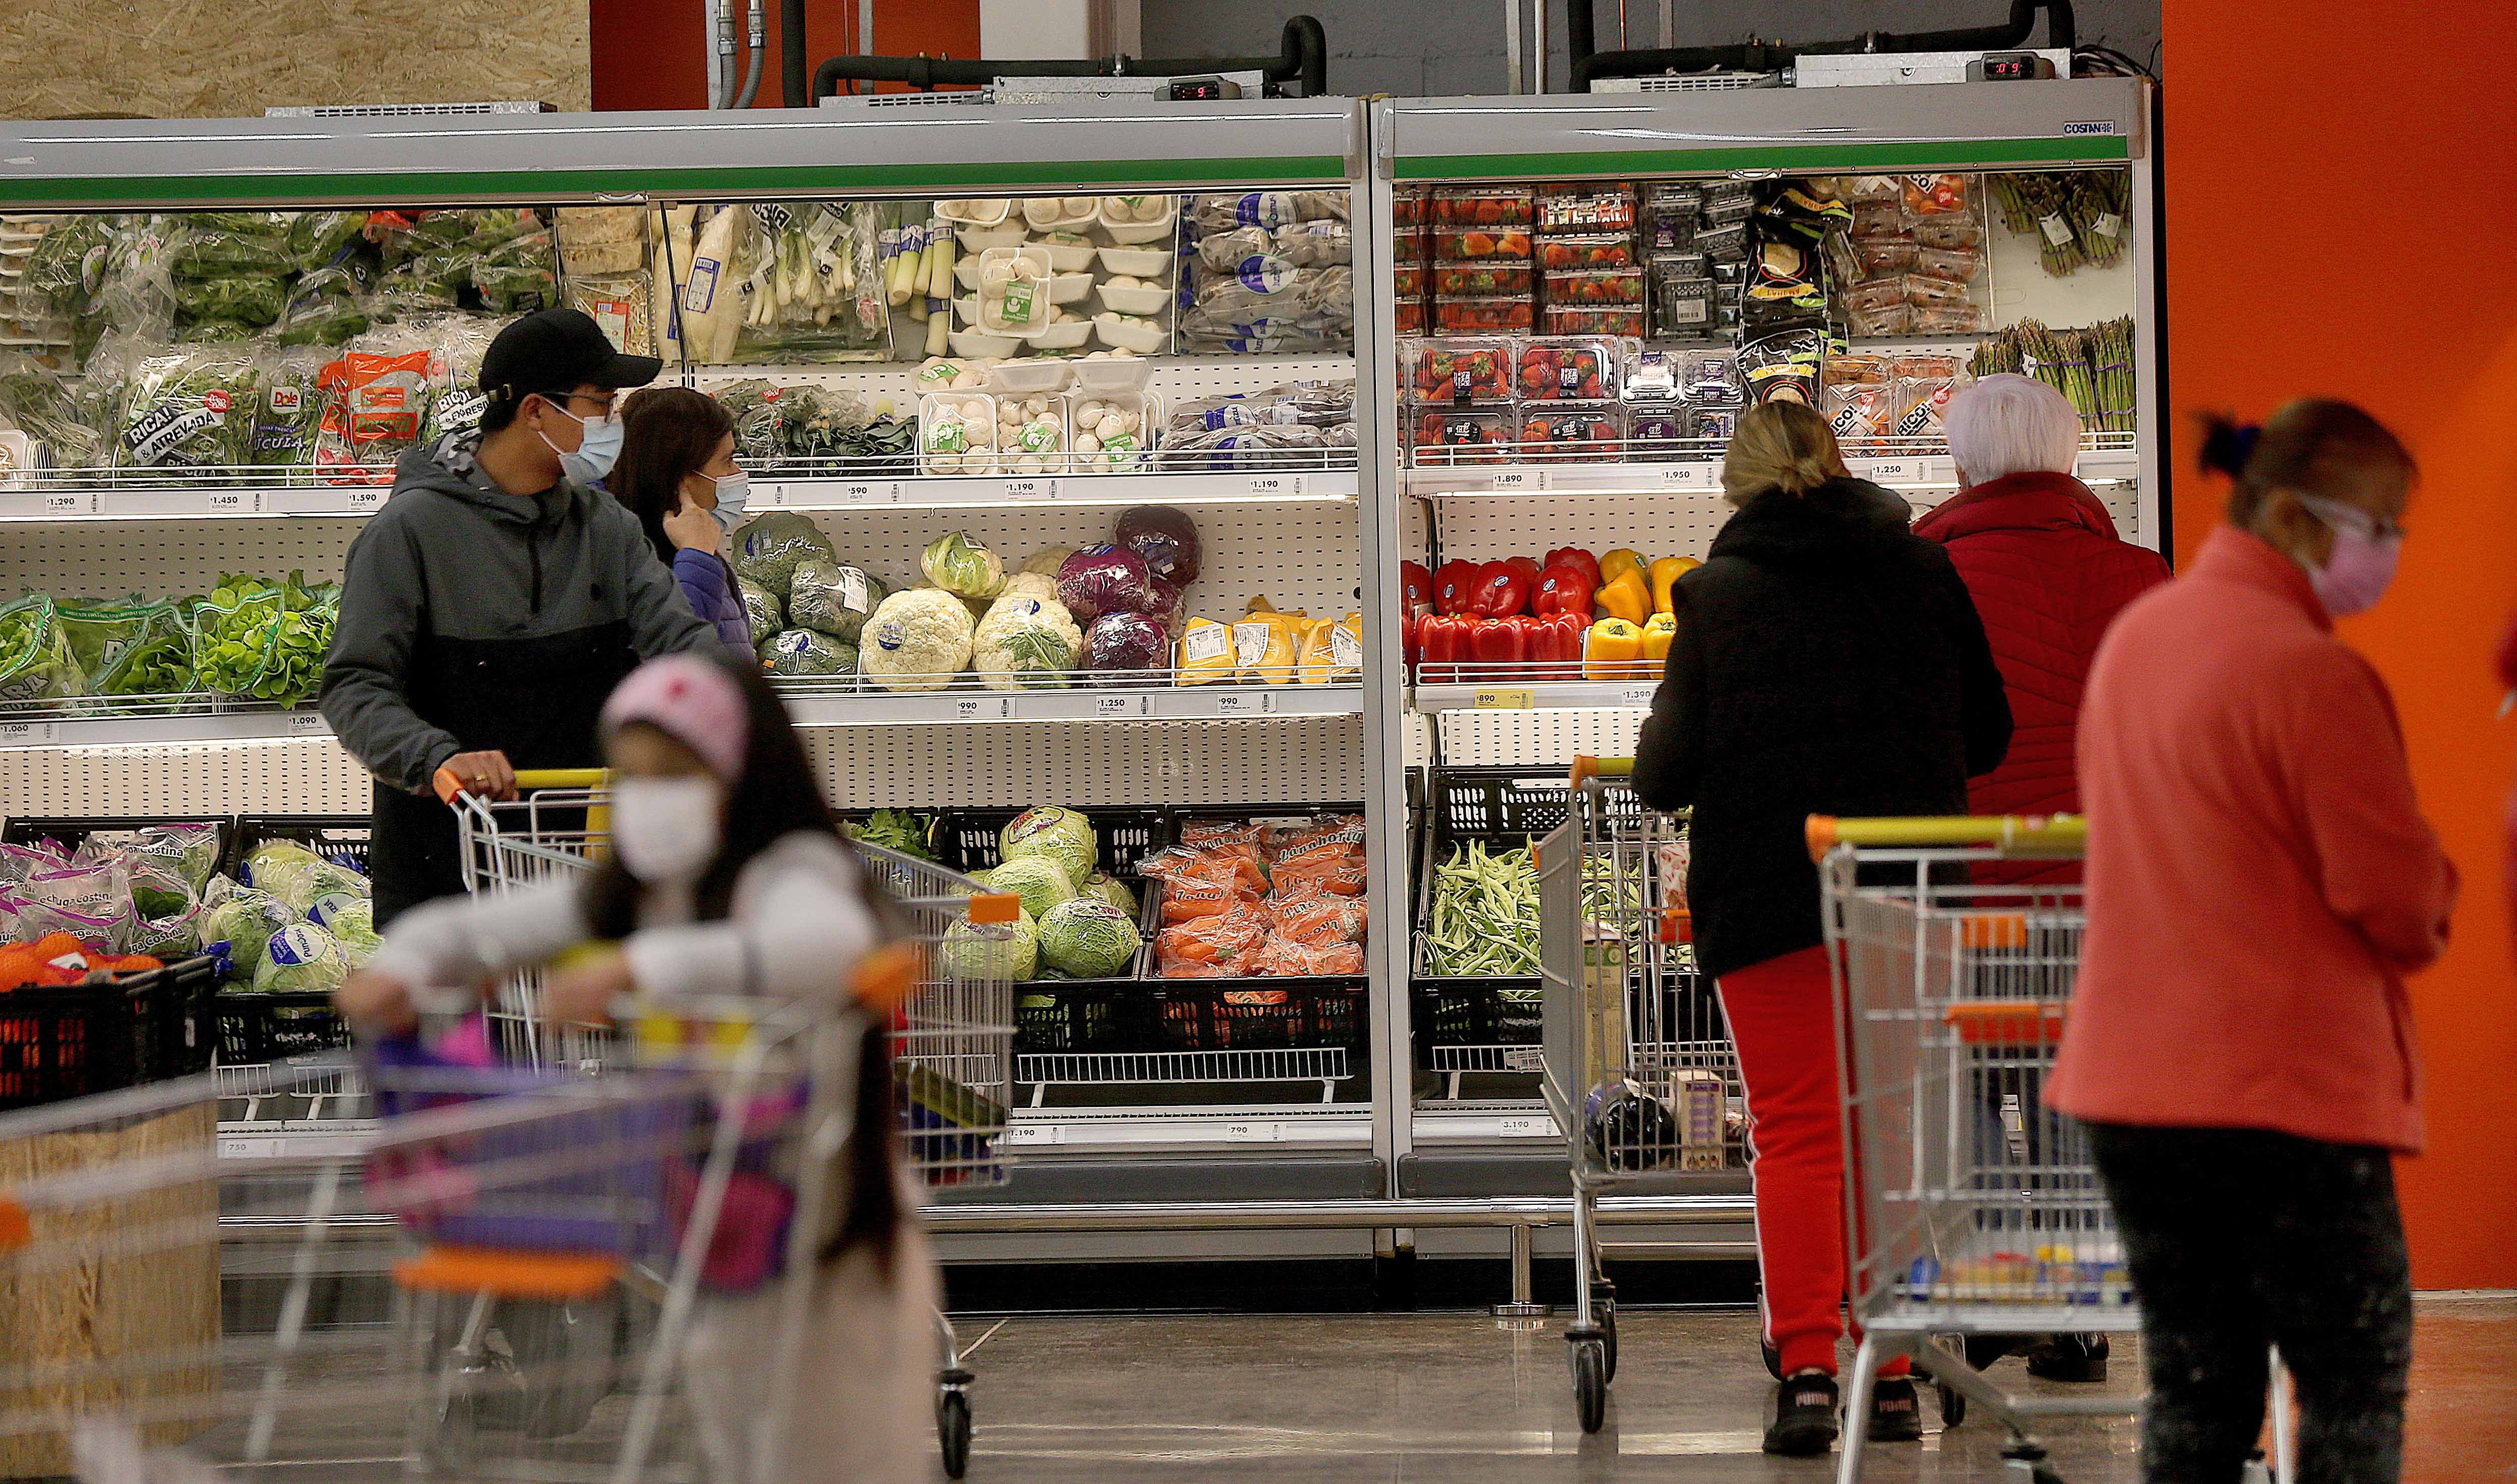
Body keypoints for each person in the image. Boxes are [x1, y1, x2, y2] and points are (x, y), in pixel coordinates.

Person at [337, 650, 940, 1481]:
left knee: (828, 1450)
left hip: (830, 1235)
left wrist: (641, 968)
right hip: (720, 1218)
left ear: (741, 774)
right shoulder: (637, 891)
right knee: (733, 1424)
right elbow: (476, 930)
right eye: (633, 776)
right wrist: (400, 968)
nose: (650, 799)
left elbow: (827, 943)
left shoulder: (790, 872)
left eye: (675, 774)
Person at [2054, 401, 2454, 1484]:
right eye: (2375, 524)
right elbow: (2393, 897)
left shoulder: (2137, 639)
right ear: (2287, 512)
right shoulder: (2309, 674)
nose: (2388, 551)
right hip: (2279, 1094)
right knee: (2347, 1382)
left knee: (2195, 1391)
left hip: (2130, 1090)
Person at [1634, 401, 2011, 1455]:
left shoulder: (1714, 595)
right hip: (1907, 889)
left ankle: (1807, 1369)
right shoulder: (1924, 574)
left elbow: (1663, 773)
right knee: (1886, 1130)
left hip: (1768, 892)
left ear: (1734, 485)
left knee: (1796, 1132)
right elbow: (1988, 730)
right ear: (1838, 466)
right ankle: (1888, 1377)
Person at [1912, 373, 2169, 1386]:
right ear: (2071, 458)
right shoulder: (2136, 576)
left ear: (1960, 464)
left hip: (1954, 881)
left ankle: (1988, 1283)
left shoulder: (1917, 574)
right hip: (2091, 885)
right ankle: (2070, 1313)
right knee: (2071, 1086)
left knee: (1955, 1081)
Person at [320, 307, 713, 927]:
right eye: (600, 404)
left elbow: (682, 643)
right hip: (444, 874)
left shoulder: (604, 527)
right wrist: (435, 759)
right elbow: (355, 686)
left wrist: (741, 724)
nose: (612, 425)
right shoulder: (409, 532)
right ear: (535, 411)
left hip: (584, 867)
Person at [612, 386, 754, 653]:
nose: (737, 472)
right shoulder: (639, 573)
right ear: (681, 478)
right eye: (728, 460)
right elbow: (677, 668)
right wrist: (698, 558)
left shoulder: (700, 554)